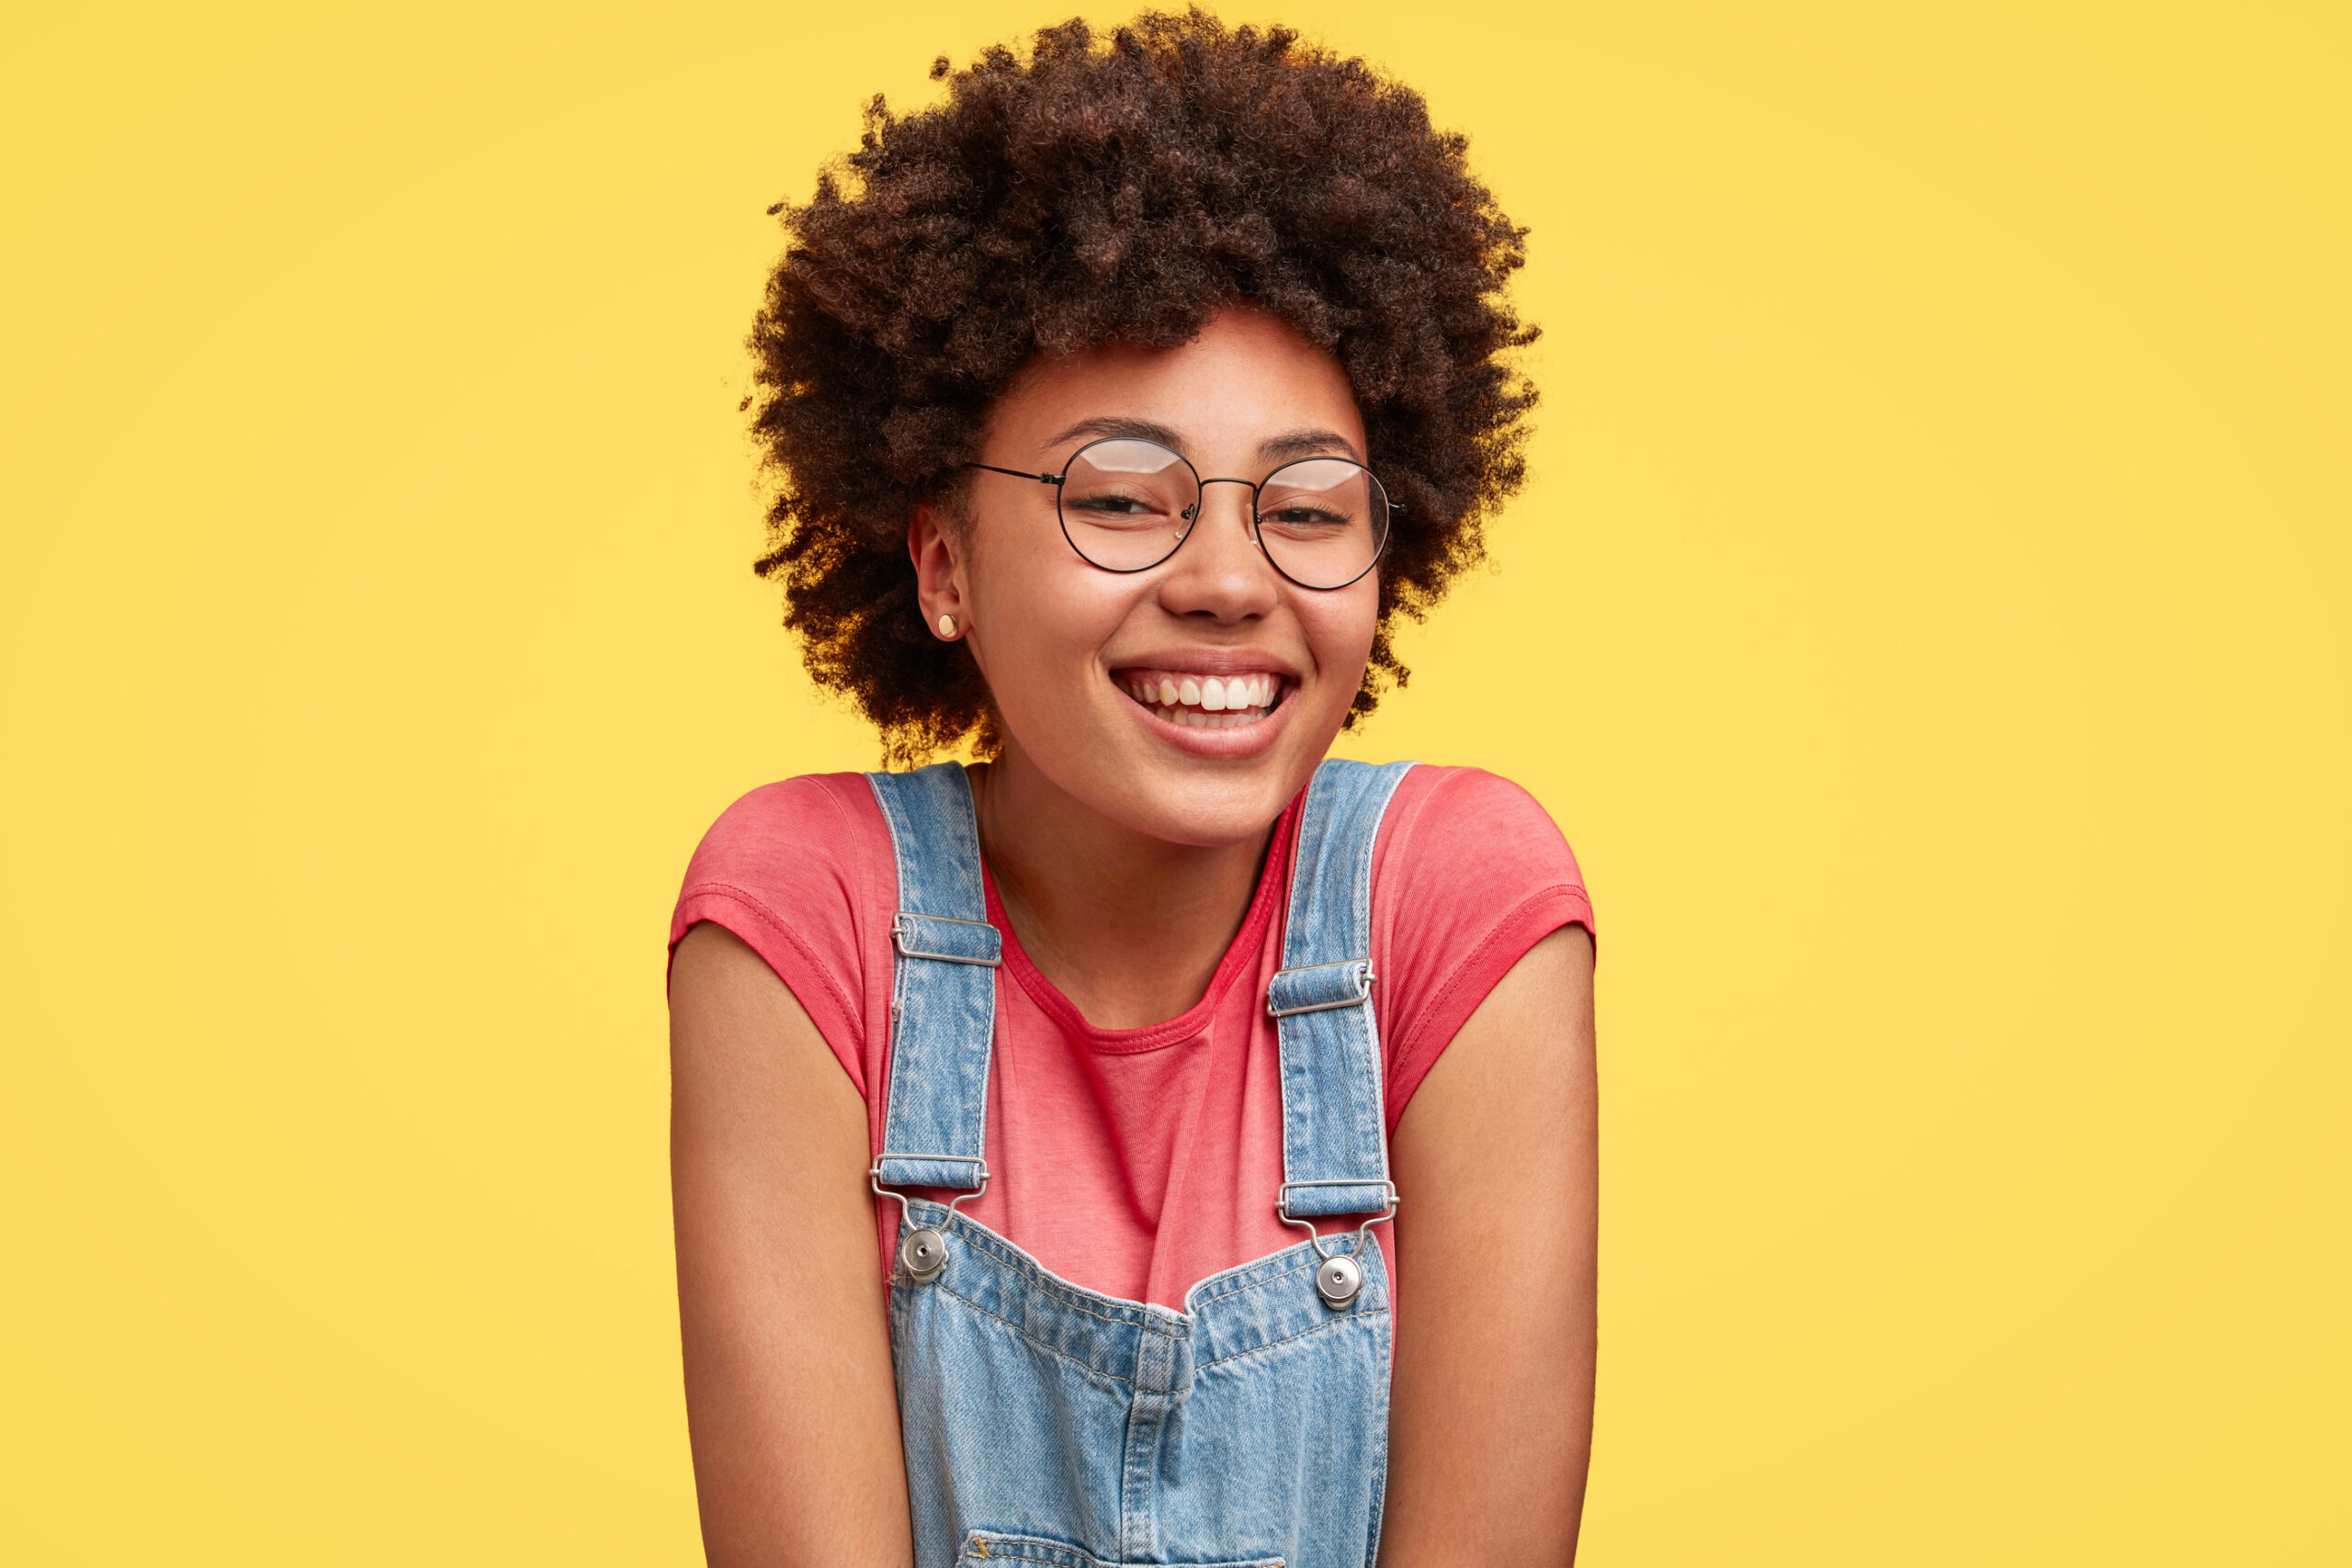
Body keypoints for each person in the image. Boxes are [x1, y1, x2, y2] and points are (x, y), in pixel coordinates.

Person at [666, 14, 1597, 1565]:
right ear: (944, 564)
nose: (1231, 579)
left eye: (1306, 507)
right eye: (1119, 497)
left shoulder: (1457, 902)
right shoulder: (803, 917)